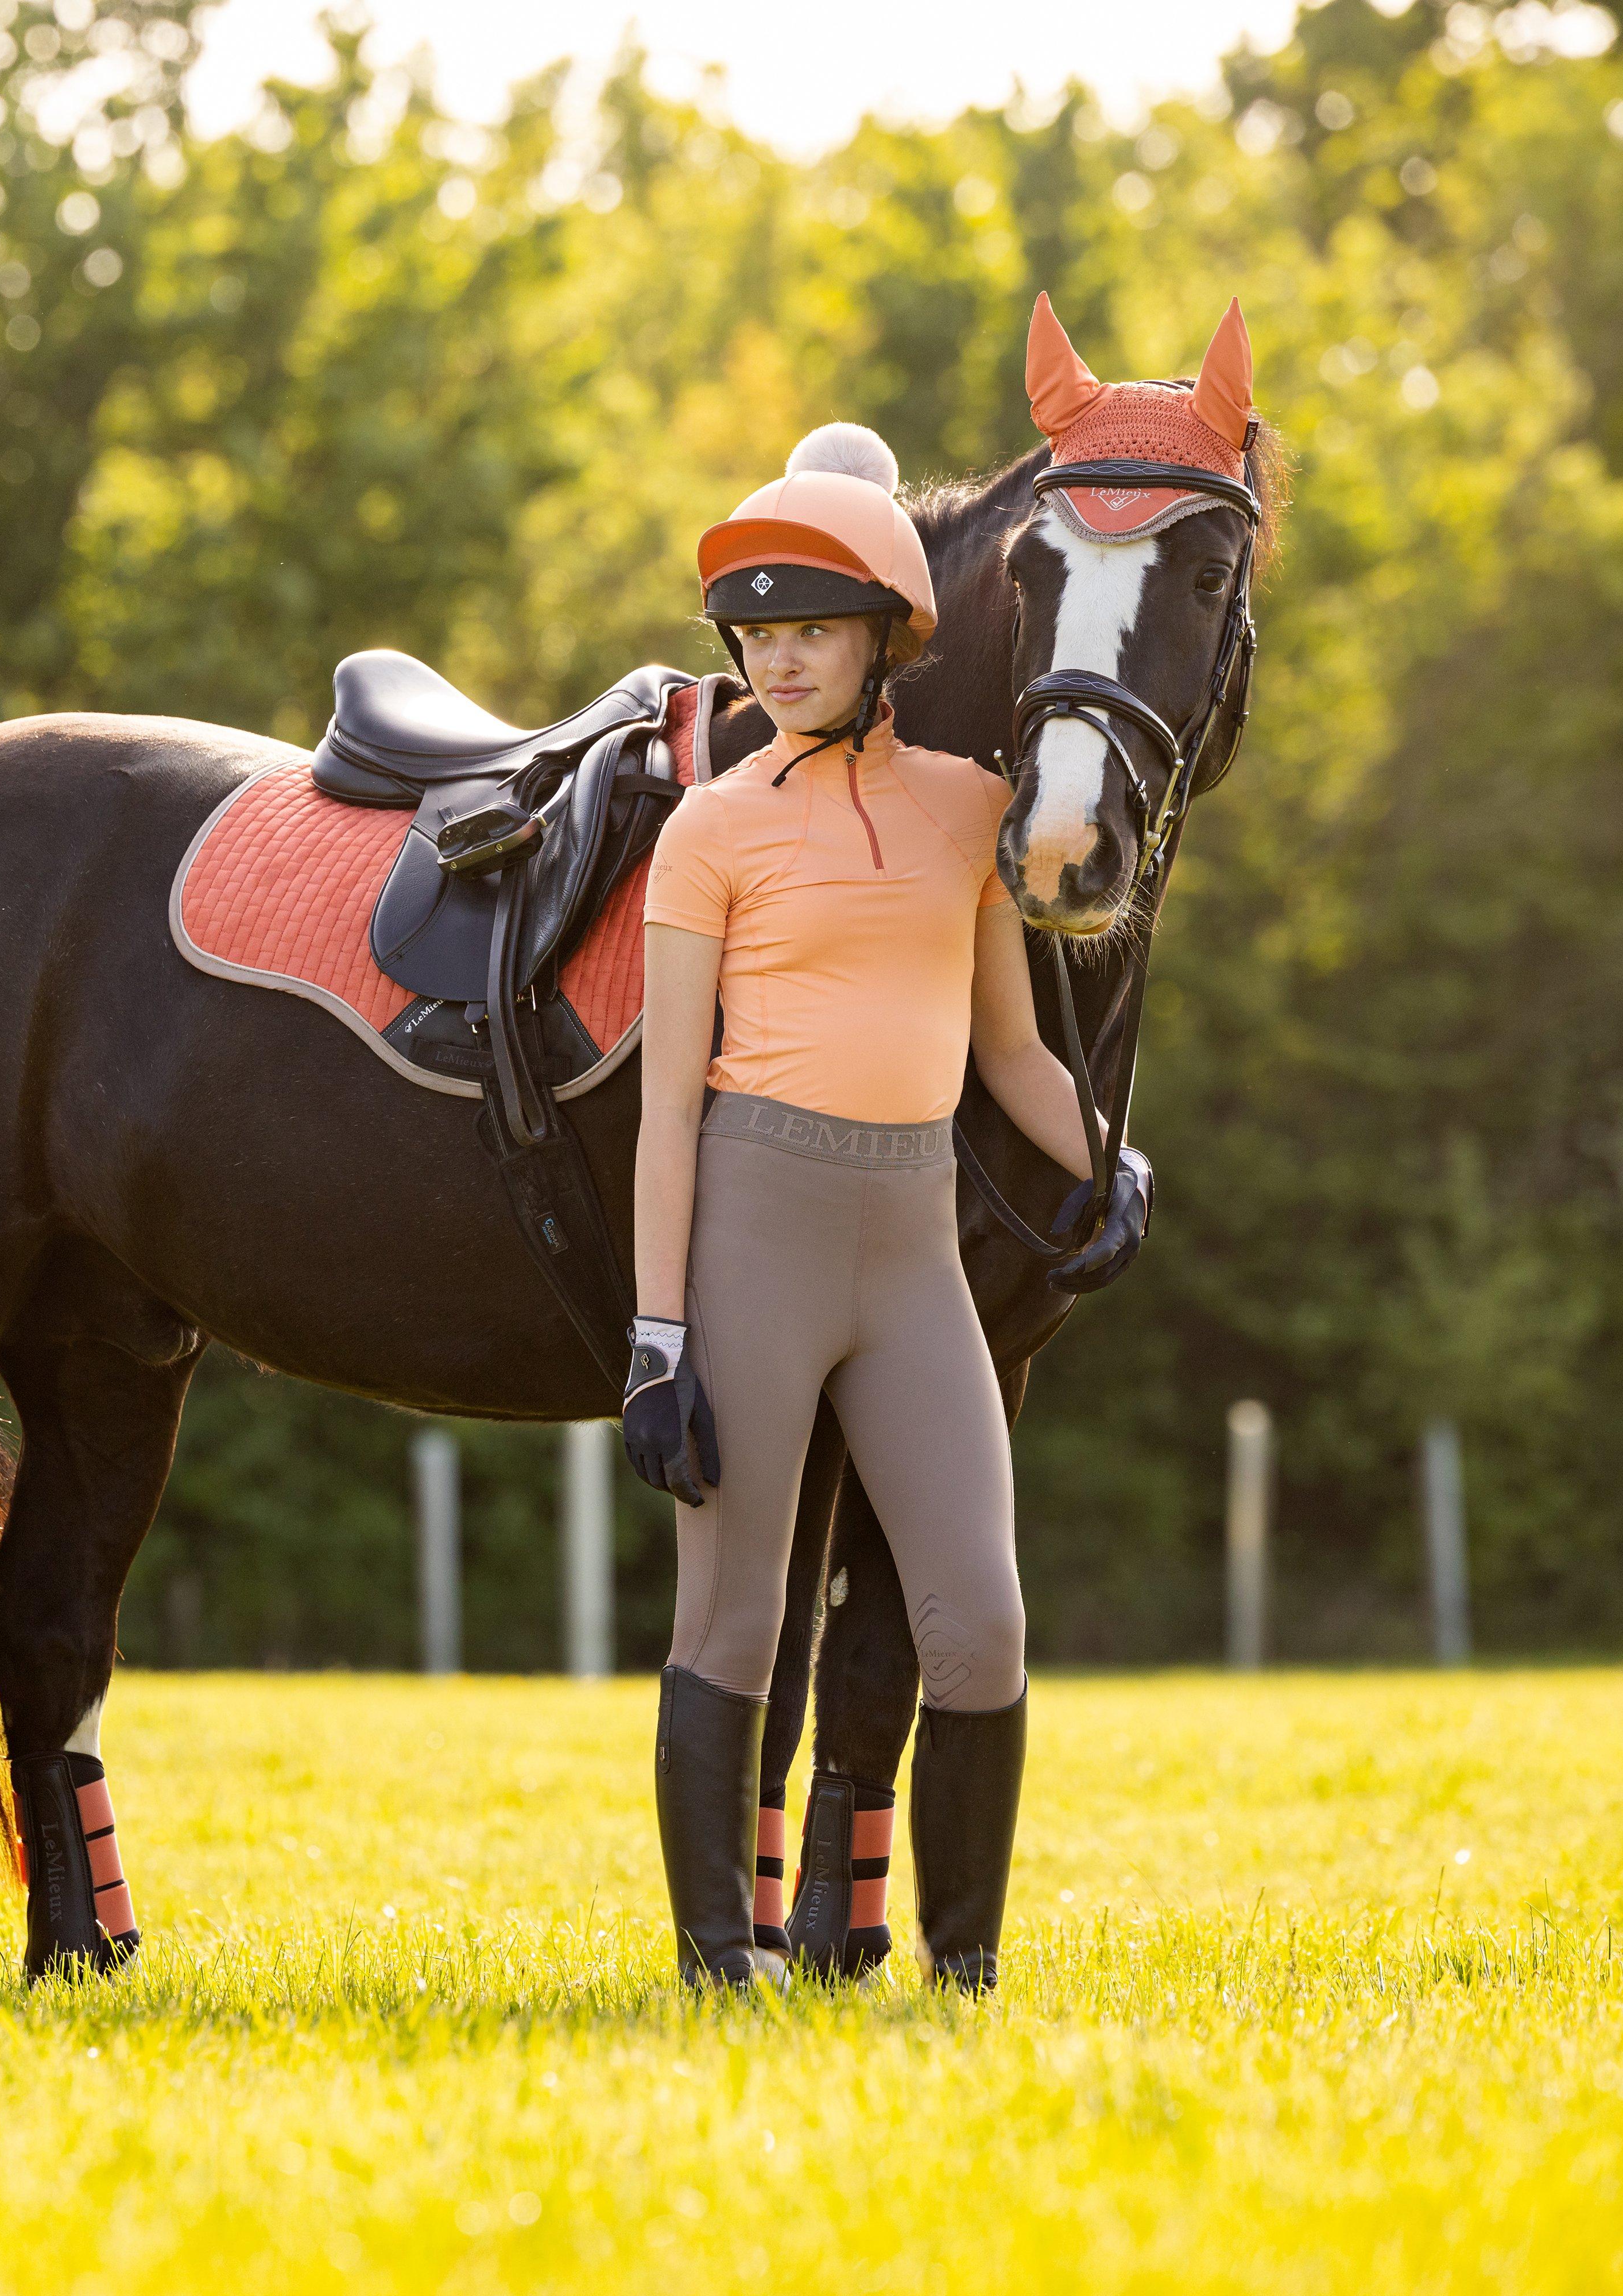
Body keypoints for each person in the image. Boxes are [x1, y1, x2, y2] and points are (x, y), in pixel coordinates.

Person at [622, 422, 1152, 1990]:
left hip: (913, 1243)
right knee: (731, 1625)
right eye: (757, 634)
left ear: (889, 639)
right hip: (757, 1233)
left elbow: (1011, 1052)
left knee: (979, 1625)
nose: (778, 659)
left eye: (811, 629)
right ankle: (724, 1963)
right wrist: (661, 1336)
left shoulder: (963, 812)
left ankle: (963, 1970)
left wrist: (1107, 1161)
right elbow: (667, 1108)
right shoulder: (710, 828)